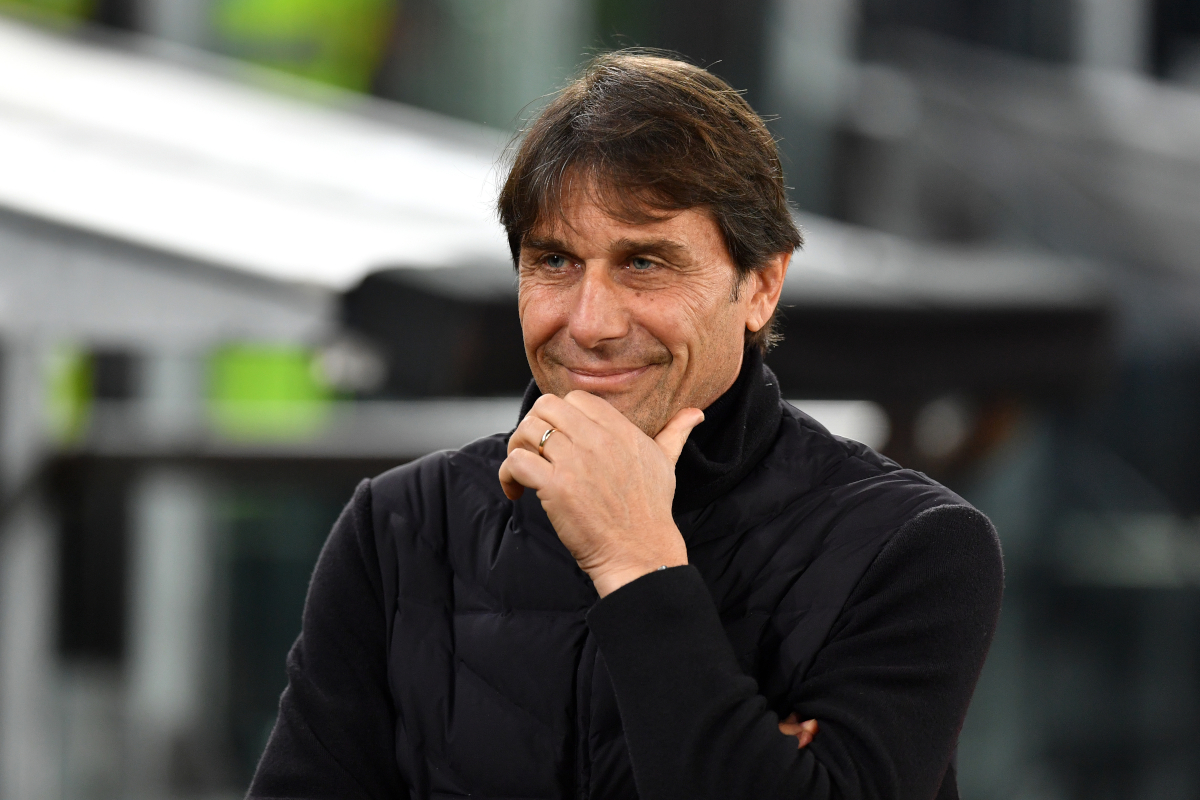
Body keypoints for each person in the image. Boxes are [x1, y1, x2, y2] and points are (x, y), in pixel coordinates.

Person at [248, 51, 1003, 800]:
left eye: (644, 263)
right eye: (554, 261)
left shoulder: (915, 547)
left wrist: (638, 566)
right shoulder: (400, 528)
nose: (591, 322)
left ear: (761, 286)